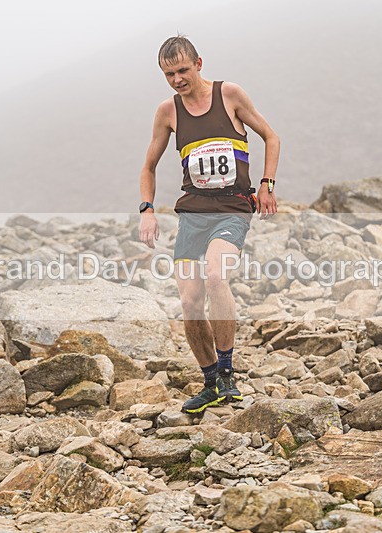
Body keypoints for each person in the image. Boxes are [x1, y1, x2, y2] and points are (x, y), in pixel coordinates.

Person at [138, 35, 280, 413]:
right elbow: (148, 166)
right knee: (188, 301)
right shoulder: (168, 112)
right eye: (169, 74)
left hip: (232, 208)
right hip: (192, 214)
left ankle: (228, 374)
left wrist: (266, 185)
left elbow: (271, 136)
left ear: (199, 63)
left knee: (217, 276)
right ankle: (210, 382)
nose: (177, 79)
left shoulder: (229, 94)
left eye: (183, 70)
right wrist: (147, 209)